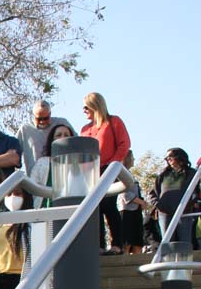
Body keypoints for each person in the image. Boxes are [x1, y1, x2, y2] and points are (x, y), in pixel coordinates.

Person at [79, 92, 131, 254]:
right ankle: (99, 245)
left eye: (86, 107)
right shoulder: (85, 129)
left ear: (95, 105)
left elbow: (124, 144)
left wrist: (113, 164)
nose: (83, 110)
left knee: (109, 205)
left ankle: (117, 244)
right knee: (95, 208)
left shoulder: (113, 122)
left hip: (109, 169)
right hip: (89, 172)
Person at [149, 148, 198, 245]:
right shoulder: (163, 175)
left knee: (184, 242)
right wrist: (158, 205)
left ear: (179, 156)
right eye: (166, 158)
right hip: (164, 213)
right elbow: (153, 193)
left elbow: (197, 192)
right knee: (167, 242)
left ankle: (184, 260)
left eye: (170, 156)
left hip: (184, 212)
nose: (168, 159)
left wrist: (189, 204)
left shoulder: (192, 173)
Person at [15, 100, 73, 174]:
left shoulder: (62, 123)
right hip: (34, 179)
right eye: (39, 119)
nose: (42, 121)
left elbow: (75, 144)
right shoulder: (25, 129)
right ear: (33, 116)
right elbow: (15, 153)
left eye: (45, 118)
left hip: (60, 173)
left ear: (50, 114)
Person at [28, 122, 77, 191]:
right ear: (52, 140)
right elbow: (32, 185)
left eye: (66, 135)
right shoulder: (41, 162)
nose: (62, 137)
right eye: (58, 135)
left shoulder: (76, 165)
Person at [117, 152, 147, 255]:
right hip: (127, 211)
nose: (134, 159)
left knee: (137, 241)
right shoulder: (120, 174)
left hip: (136, 211)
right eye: (132, 157)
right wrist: (141, 201)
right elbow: (125, 194)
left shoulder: (130, 174)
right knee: (127, 240)